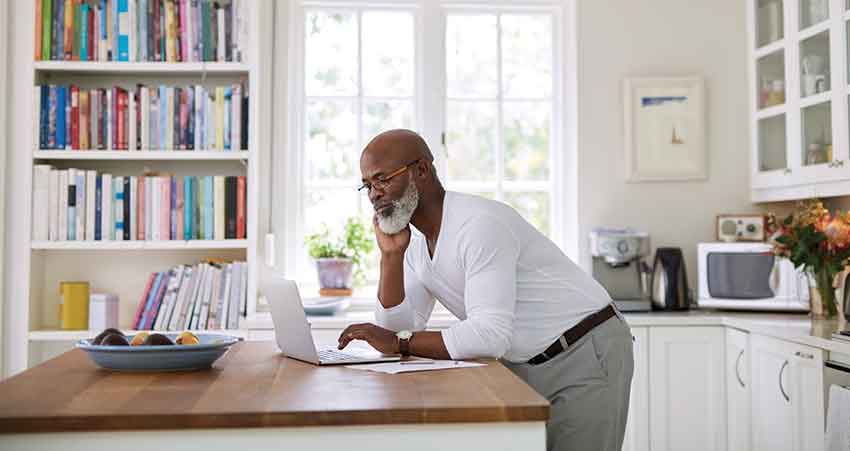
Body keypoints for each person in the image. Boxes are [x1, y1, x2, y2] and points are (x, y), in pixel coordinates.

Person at [337, 129, 634, 451]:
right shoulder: (415, 240)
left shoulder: (478, 225)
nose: (374, 194)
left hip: (582, 348)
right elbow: (395, 333)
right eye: (367, 185)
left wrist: (397, 342)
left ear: (420, 170)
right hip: (523, 361)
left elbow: (488, 335)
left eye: (382, 180)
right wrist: (390, 258)